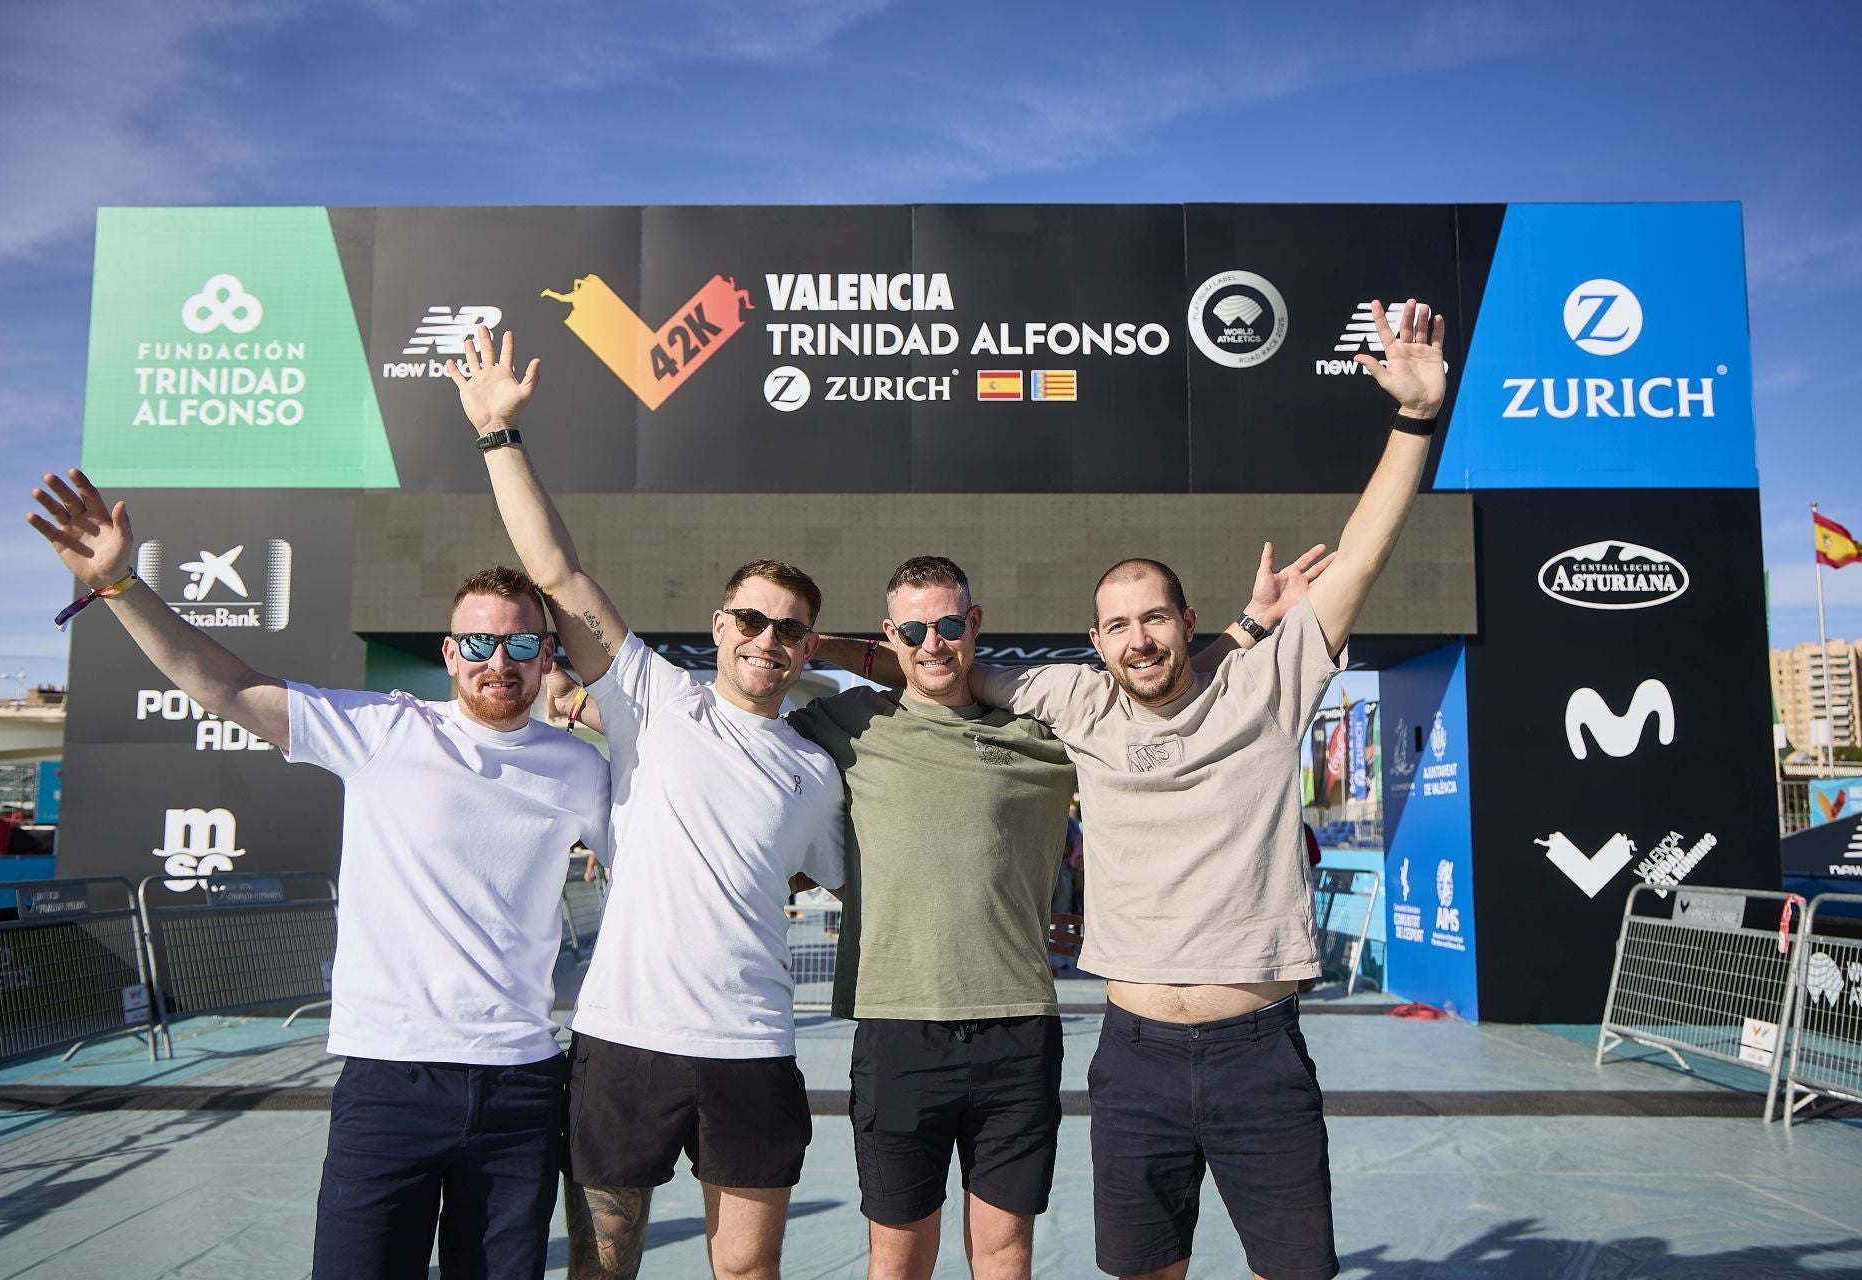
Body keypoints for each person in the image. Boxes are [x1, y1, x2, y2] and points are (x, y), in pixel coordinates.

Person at [27, 473, 608, 1280]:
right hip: (389, 1081)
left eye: (519, 644)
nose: (497, 662)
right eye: (478, 644)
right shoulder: (380, 731)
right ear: (450, 654)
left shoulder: (581, 770)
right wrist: (120, 585)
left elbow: (665, 852)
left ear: (548, 655)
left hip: (523, 1087)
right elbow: (225, 685)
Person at [970, 299, 1446, 1280]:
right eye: (1117, 625)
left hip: (1258, 1054)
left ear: (1188, 621)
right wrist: (813, 651)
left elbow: (1361, 554)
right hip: (1132, 1056)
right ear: (1095, 640)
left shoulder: (1268, 685)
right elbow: (943, 667)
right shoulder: (1073, 698)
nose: (1137, 637)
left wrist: (1415, 417)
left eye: (1154, 617)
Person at [792, 550, 1325, 1280]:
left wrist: (1251, 625)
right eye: (912, 632)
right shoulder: (846, 723)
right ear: (891, 636)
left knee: (1005, 1253)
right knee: (899, 1258)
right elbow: (749, 739)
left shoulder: (1044, 731)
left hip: (1019, 1029)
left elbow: (1159, 685)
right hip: (897, 1028)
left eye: (948, 625)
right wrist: (578, 703)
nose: (932, 643)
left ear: (974, 623)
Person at [446, 328, 846, 1280]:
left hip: (753, 1046)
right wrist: (498, 435)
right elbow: (558, 575)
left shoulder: (817, 772)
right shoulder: (652, 698)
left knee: (746, 1272)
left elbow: (828, 875)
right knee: (601, 1271)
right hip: (623, 1043)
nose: (766, 638)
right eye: (750, 618)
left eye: (789, 629)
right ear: (721, 625)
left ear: (807, 647)